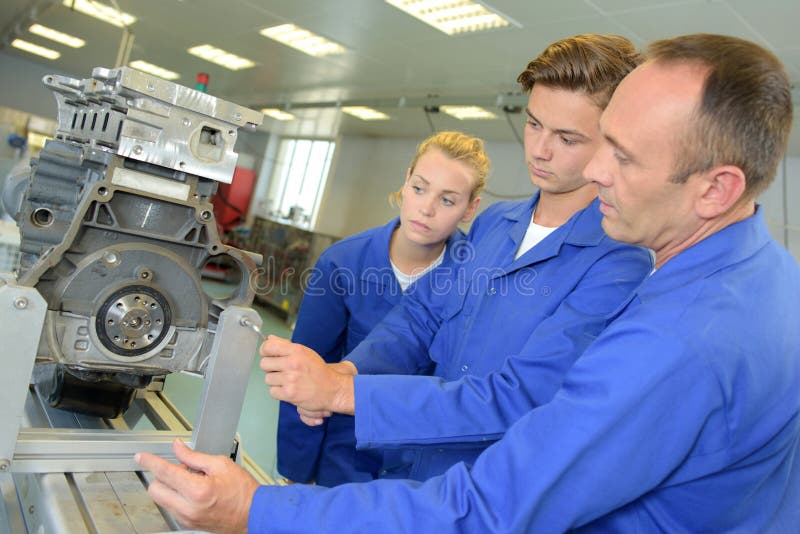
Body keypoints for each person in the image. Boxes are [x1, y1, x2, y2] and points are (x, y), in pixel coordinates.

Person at [136, 33, 800, 532]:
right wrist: (343, 382)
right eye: (537, 126)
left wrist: (261, 509)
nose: (591, 167)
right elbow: (421, 318)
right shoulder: (755, 279)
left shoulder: (671, 331)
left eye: (616, 153)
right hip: (421, 475)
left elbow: (498, 499)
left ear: (717, 188)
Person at [261, 34, 652, 482]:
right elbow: (421, 316)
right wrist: (344, 370)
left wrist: (344, 393)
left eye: (566, 138)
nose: (540, 150)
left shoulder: (618, 264)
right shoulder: (494, 225)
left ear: (611, 140)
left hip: (486, 494)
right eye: (534, 124)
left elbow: (519, 397)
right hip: (410, 473)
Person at [277, 131, 488, 487]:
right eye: (420, 188)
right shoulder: (342, 264)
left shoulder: (476, 276)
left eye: (448, 200)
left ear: (470, 208)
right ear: (405, 182)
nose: (426, 208)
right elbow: (306, 372)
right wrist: (297, 474)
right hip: (344, 462)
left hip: (426, 472)